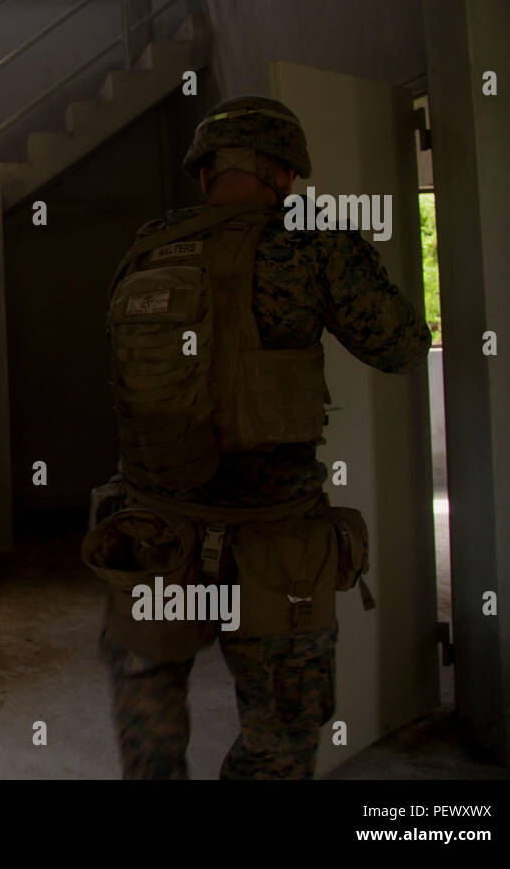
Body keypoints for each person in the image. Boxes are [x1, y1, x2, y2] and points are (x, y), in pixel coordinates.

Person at [89, 95, 430, 779]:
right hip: (277, 543)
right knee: (280, 741)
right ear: (283, 168)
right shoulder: (310, 240)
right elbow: (401, 347)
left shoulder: (149, 245)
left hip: (153, 534)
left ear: (207, 168)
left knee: (149, 744)